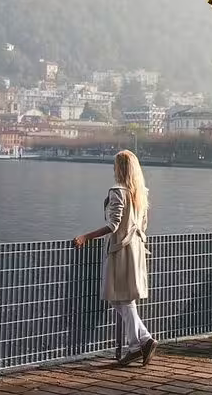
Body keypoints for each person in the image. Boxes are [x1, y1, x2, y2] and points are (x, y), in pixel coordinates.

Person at [73, 150, 157, 366]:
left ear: (119, 168)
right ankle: (141, 342)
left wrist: (86, 236)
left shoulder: (118, 191)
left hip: (120, 249)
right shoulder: (140, 192)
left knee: (121, 298)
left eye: (114, 165)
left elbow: (113, 225)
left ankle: (139, 344)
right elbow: (144, 224)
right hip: (136, 248)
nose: (112, 169)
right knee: (121, 298)